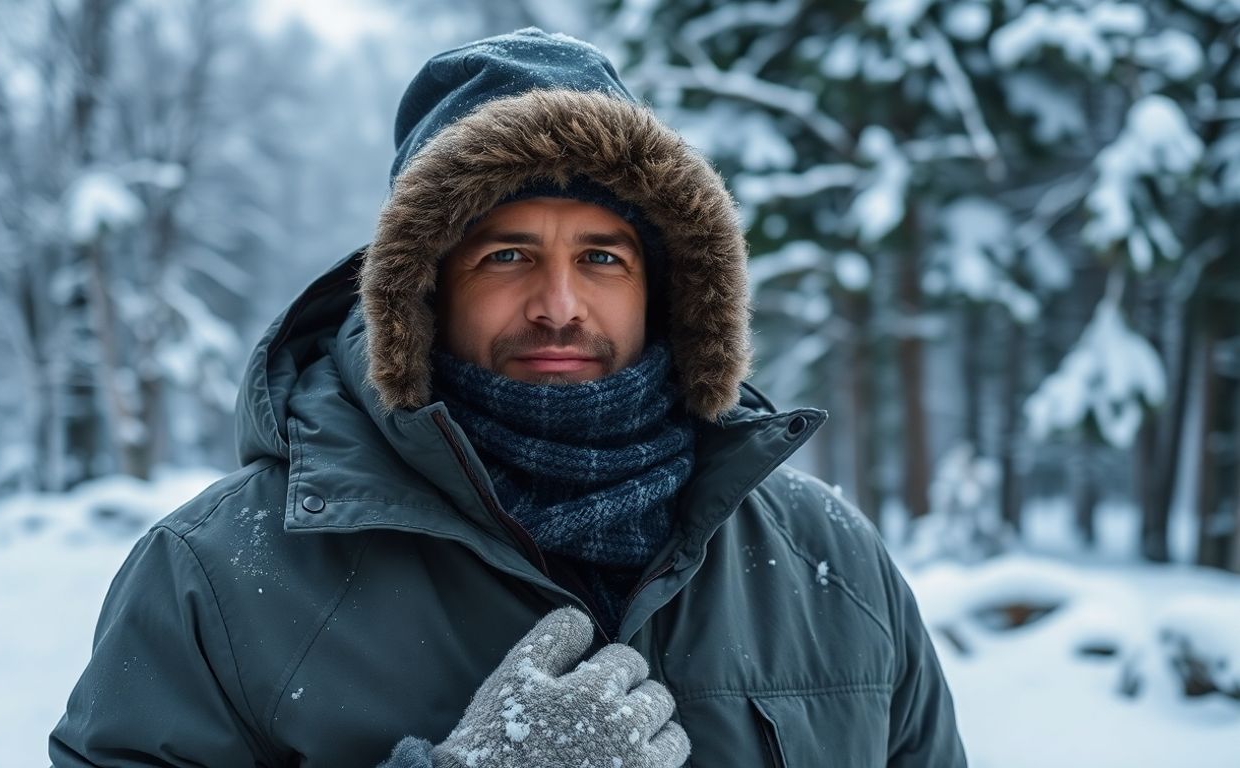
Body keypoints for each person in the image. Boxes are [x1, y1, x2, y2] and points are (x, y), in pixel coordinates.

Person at [49, 28, 966, 768]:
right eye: (506, 254)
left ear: (670, 288)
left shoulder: (827, 561)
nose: (558, 305)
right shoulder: (219, 573)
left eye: (602, 257)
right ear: (423, 288)